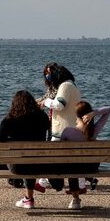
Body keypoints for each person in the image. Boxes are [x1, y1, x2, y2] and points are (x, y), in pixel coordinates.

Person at [0, 90, 51, 209]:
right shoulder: (42, 117)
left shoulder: (10, 119)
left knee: (23, 160)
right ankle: (28, 199)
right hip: (39, 164)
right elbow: (49, 130)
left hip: (17, 166)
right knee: (31, 160)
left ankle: (28, 199)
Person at [35, 63, 82, 193]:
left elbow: (59, 105)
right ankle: (78, 189)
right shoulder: (69, 85)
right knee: (70, 162)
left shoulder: (65, 86)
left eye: (50, 73)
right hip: (67, 129)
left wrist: (45, 102)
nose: (48, 76)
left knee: (49, 157)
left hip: (63, 131)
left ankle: (47, 184)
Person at [60, 101, 110, 209]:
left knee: (71, 165)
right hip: (91, 167)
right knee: (74, 165)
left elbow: (62, 151)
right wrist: (94, 113)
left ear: (76, 115)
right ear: (89, 113)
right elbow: (108, 110)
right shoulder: (94, 130)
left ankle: (76, 200)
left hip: (74, 167)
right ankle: (85, 184)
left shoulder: (67, 131)